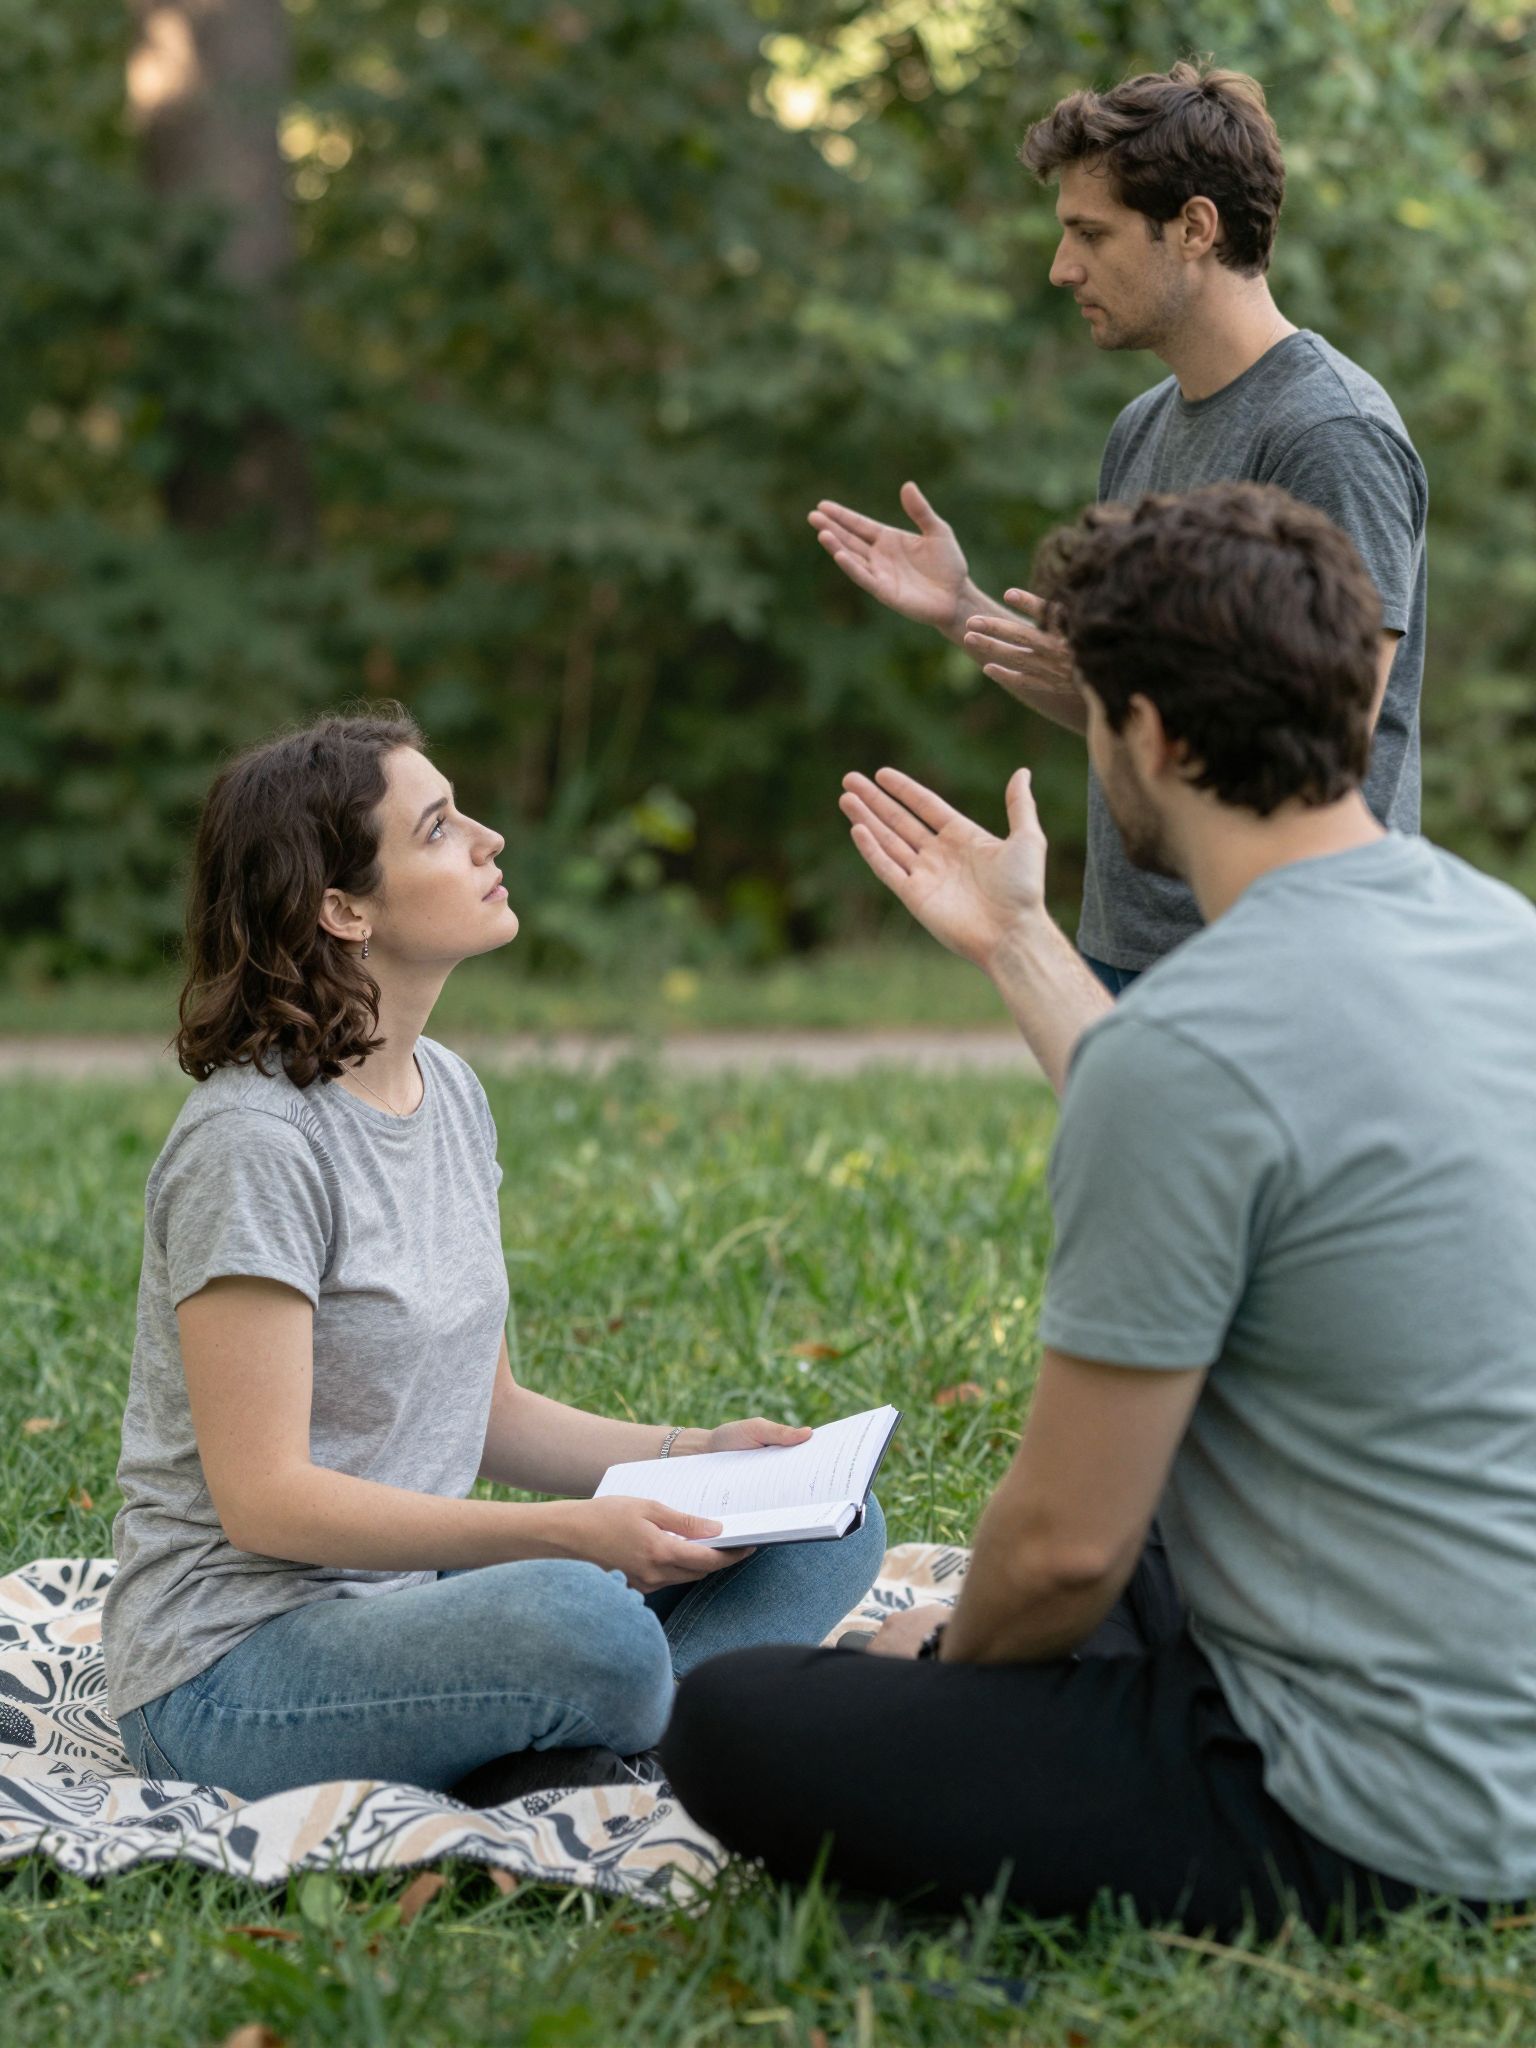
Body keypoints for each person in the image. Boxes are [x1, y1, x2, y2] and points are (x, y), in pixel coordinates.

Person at [661, 483, 1536, 1934]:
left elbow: (1064, 1553)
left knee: (737, 1720)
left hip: (1376, 1812)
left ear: (1148, 735)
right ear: (1358, 684)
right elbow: (1247, 1129)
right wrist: (1019, 940)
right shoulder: (1499, 934)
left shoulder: (1195, 1045)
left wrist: (957, 1678)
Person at [102, 709, 884, 1805]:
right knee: (586, 1620)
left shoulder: (450, 1092)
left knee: (828, 1526)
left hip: (420, 1617)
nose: (489, 839)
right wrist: (563, 1535)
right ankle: (636, 1721)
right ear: (343, 906)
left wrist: (696, 1449)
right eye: (438, 828)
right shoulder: (254, 1143)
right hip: (232, 1674)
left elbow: (488, 1407)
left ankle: (577, 1748)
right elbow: (262, 1500)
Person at [810, 60, 1427, 1015]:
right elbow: (1130, 721)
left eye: (1089, 234)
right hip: (1128, 951)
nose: (1063, 268)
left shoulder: (1327, 434)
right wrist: (961, 612)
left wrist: (1124, 686)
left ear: (1193, 228)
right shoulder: (1141, 427)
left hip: (1284, 963)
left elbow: (1326, 736)